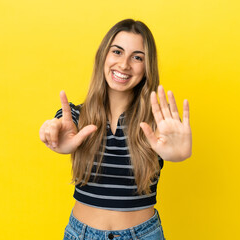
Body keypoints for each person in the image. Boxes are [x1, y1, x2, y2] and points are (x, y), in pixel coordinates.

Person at [39, 19, 192, 240]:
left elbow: (173, 145)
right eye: (117, 52)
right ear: (104, 56)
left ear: (147, 67)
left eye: (137, 57)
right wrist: (48, 133)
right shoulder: (74, 117)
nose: (124, 64)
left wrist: (177, 154)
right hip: (80, 234)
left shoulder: (159, 122)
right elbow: (53, 130)